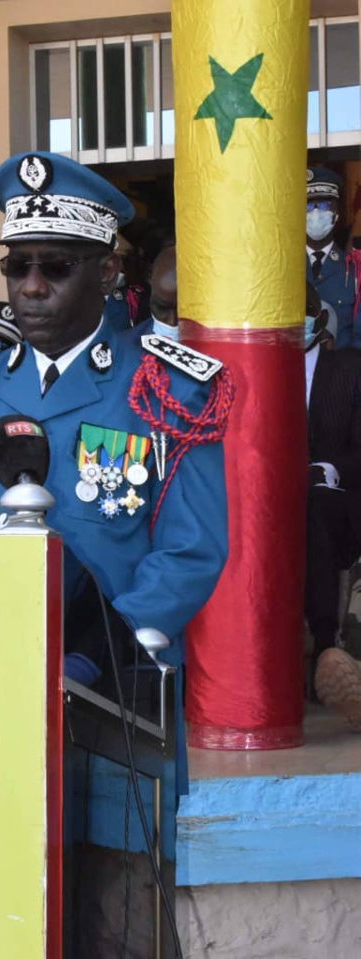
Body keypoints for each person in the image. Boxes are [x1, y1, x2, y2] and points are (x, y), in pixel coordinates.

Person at [0, 150, 230, 689]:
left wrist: (109, 648)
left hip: (111, 693)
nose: (31, 286)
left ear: (106, 273)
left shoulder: (169, 391)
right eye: (16, 265)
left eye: (54, 266)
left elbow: (190, 550)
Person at [304, 281, 361, 728]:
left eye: (300, 311)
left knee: (315, 506)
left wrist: (329, 468)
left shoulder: (349, 369)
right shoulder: (253, 367)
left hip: (336, 495)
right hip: (264, 493)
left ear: (320, 320)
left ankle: (325, 644)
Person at [306, 166, 359, 349]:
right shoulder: (284, 269)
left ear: (336, 213)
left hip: (340, 373)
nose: (315, 214)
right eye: (308, 206)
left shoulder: (354, 271)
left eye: (323, 206)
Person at [148, 244, 179, 340]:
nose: (172, 322)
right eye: (161, 308)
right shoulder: (122, 348)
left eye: (182, 312)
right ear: (150, 279)